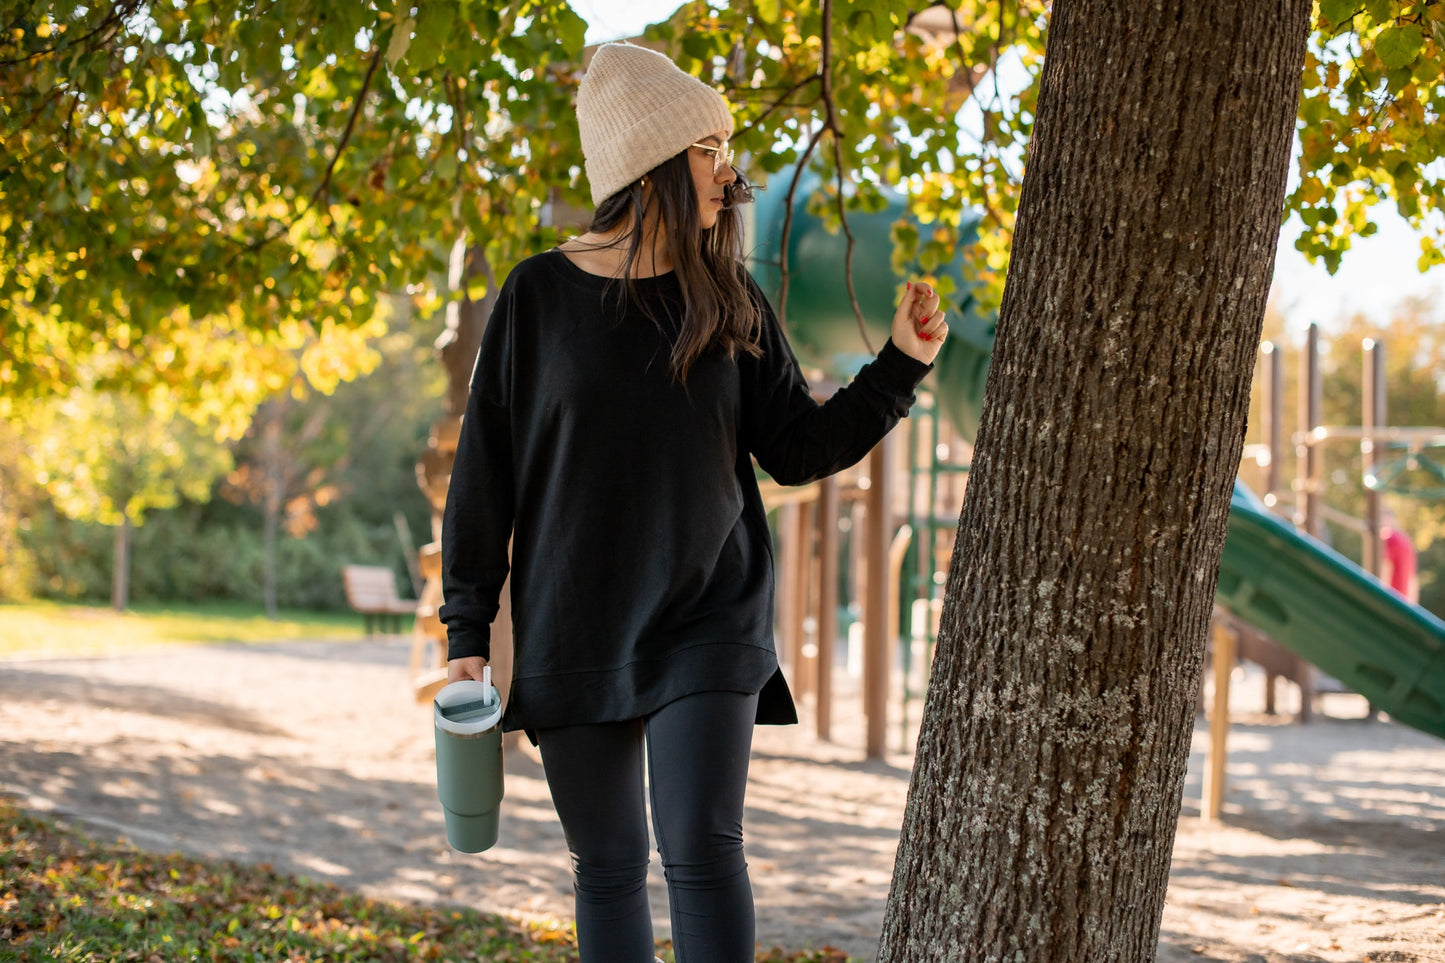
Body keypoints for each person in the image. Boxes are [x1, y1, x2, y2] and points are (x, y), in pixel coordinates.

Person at [438, 41, 948, 963]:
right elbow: (484, 481)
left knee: (703, 851)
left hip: (710, 613)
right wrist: (466, 638)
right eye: (710, 149)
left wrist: (898, 371)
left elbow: (795, 447)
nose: (729, 172)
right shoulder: (535, 298)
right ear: (654, 163)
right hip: (572, 620)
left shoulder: (729, 297)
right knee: (606, 862)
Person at [1381, 507, 1420, 604]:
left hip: (1391, 600)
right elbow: (1413, 578)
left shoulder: (1389, 538)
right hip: (1404, 602)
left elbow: (1386, 569)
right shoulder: (1406, 541)